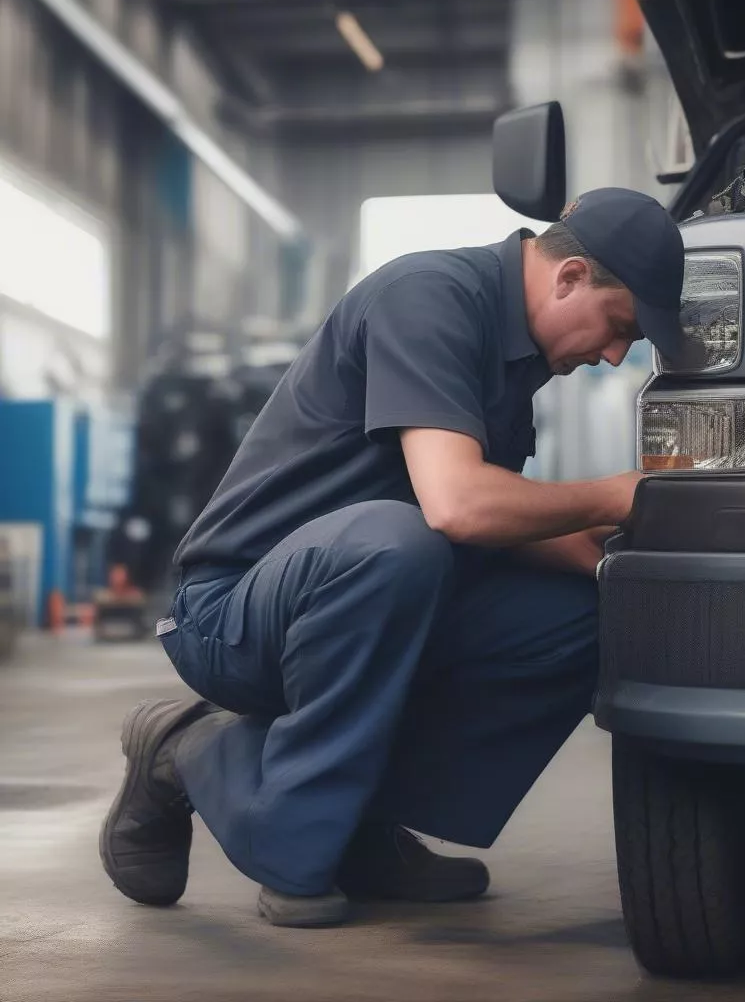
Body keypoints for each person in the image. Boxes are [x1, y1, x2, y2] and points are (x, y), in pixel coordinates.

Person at [99, 187, 687, 928]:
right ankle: (199, 757)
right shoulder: (430, 297)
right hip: (235, 616)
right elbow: (456, 506)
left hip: (372, 601)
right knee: (397, 540)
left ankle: (356, 826)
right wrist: (611, 496)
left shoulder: (517, 358)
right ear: (569, 277)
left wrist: (628, 561)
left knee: (589, 614)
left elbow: (505, 524)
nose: (611, 355)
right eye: (618, 327)